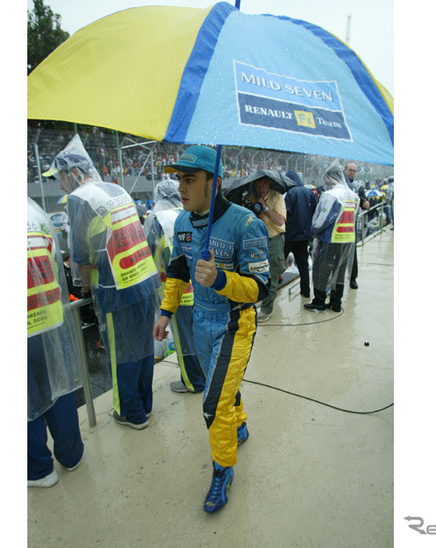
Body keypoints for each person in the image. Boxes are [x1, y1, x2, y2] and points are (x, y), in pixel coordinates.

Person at [152, 145, 270, 514]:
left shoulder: (246, 223)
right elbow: (178, 270)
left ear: (213, 182)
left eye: (190, 179)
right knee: (224, 390)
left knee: (213, 402)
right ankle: (240, 424)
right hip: (199, 320)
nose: (181, 187)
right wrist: (166, 312)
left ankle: (223, 470)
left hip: (235, 323)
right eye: (179, 179)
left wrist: (221, 279)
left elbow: (261, 288)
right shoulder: (183, 223)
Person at [43, 135, 161, 430]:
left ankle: (129, 412)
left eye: (60, 177)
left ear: (73, 172)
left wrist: (84, 291)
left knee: (121, 353)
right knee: (143, 348)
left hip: (115, 289)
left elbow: (81, 255)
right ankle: (144, 406)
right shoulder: (115, 188)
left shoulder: (79, 198)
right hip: (144, 281)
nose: (60, 185)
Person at [28, 197, 84, 488]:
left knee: (27, 401)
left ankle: (39, 470)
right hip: (50, 318)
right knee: (60, 388)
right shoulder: (34, 213)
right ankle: (72, 455)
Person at [143, 180, 205, 394]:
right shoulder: (189, 213)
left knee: (184, 340)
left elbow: (148, 256)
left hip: (174, 292)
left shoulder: (157, 219)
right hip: (198, 289)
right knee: (199, 338)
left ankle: (193, 382)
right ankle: (203, 376)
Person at [304, 161, 360, 313]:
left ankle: (319, 301)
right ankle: (336, 303)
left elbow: (323, 218)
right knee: (339, 271)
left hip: (330, 238)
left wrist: (314, 231)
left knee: (322, 270)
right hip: (348, 239)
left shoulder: (330, 195)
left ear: (331, 177)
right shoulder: (354, 196)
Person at [246, 174, 286, 322]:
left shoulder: (277, 197)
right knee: (254, 273)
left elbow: (280, 221)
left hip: (273, 240)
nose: (260, 189)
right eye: (257, 185)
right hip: (256, 242)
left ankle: (266, 309)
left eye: (263, 185)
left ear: (269, 183)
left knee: (273, 274)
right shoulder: (250, 197)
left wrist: (265, 207)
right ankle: (252, 304)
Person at [283, 170, 318, 299]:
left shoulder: (290, 193)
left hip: (291, 234)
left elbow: (286, 213)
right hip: (305, 235)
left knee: (280, 261)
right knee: (303, 265)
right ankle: (306, 291)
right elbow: (314, 211)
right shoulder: (309, 192)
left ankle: (271, 288)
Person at [342, 162, 369, 290]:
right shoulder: (339, 183)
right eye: (350, 170)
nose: (351, 172)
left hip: (350, 224)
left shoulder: (358, 187)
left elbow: (364, 203)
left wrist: (366, 204)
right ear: (344, 169)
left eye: (354, 171)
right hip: (337, 224)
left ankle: (352, 278)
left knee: (352, 254)